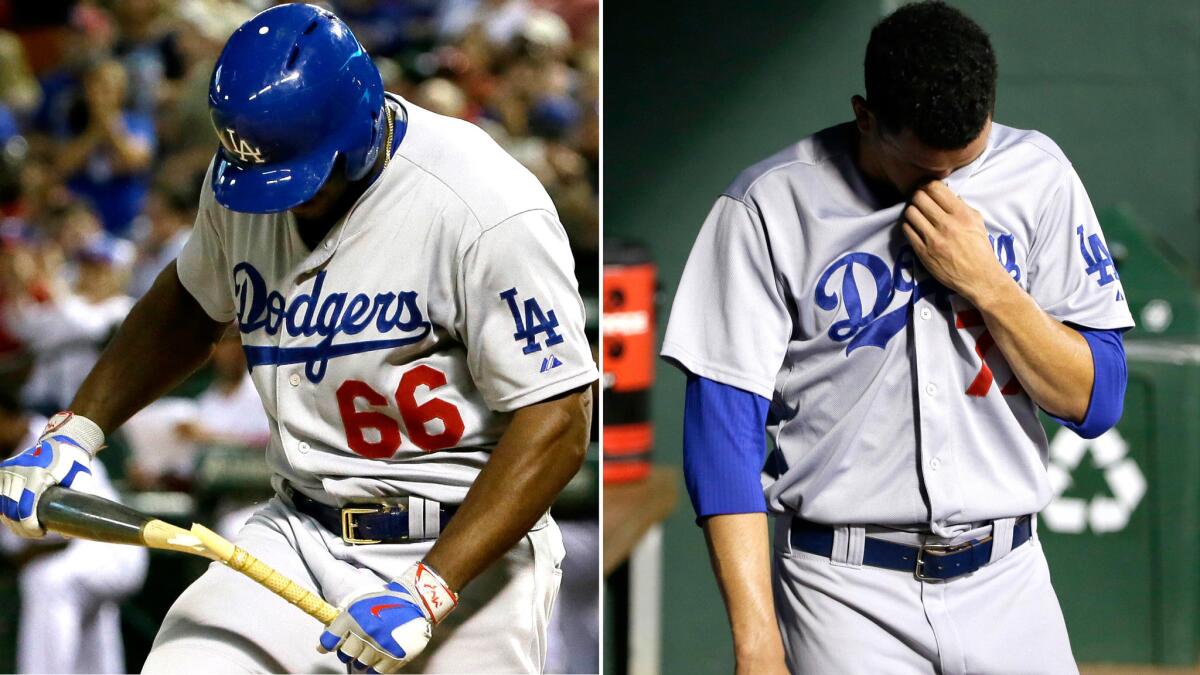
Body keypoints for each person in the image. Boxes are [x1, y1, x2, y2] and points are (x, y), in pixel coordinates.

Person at [0, 4, 595, 674]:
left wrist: (431, 587)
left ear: (362, 130)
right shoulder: (244, 179)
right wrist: (76, 429)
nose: (278, 200)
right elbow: (191, 302)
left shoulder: (483, 204)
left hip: (463, 550)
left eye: (300, 182)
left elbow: (559, 417)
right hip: (298, 530)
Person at [661, 3, 1132, 674]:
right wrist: (755, 636)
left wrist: (990, 283)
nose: (946, 185)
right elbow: (722, 430)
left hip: (1009, 579)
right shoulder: (770, 205)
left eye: (965, 161)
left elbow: (1097, 401)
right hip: (844, 592)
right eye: (922, 167)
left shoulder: (1039, 176)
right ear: (866, 117)